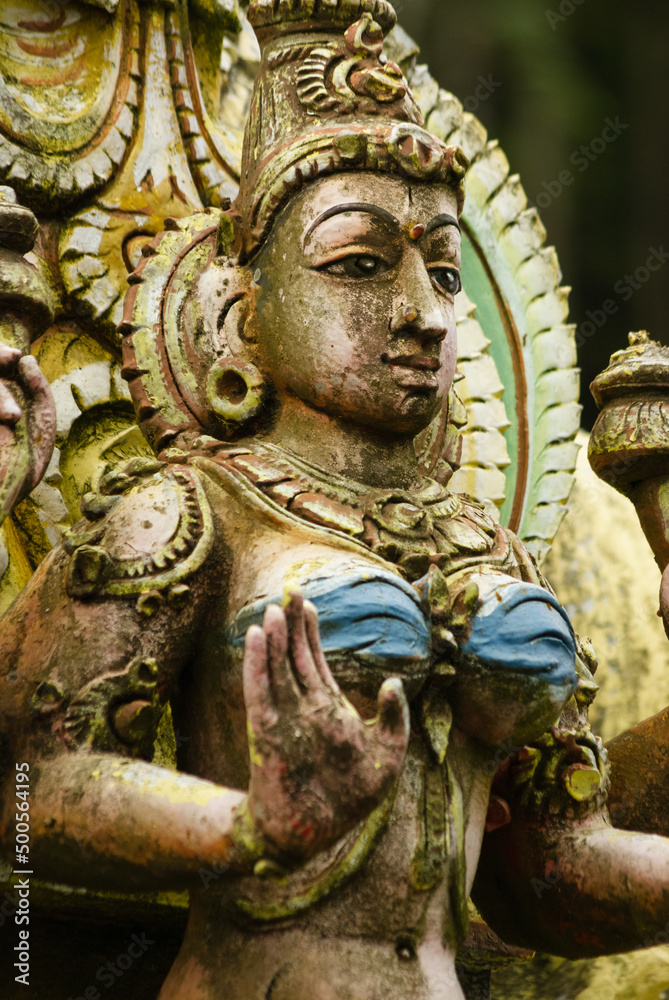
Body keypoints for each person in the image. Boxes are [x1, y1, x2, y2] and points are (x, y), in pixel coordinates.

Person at [2, 3, 669, 998]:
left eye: (444, 271)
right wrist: (248, 827)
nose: (426, 314)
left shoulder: (492, 549)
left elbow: (545, 876)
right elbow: (23, 789)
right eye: (358, 265)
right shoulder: (191, 516)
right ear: (239, 313)